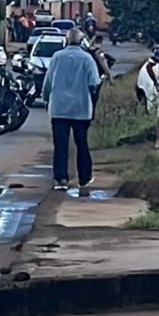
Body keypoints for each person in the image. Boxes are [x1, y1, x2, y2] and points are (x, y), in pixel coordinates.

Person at [42, 27, 101, 194]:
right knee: (81, 143)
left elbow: (47, 83)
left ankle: (61, 179)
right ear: (82, 41)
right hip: (81, 109)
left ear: (66, 41)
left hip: (59, 108)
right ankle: (84, 178)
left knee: (60, 145)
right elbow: (94, 84)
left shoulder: (56, 58)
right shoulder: (87, 59)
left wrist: (46, 99)